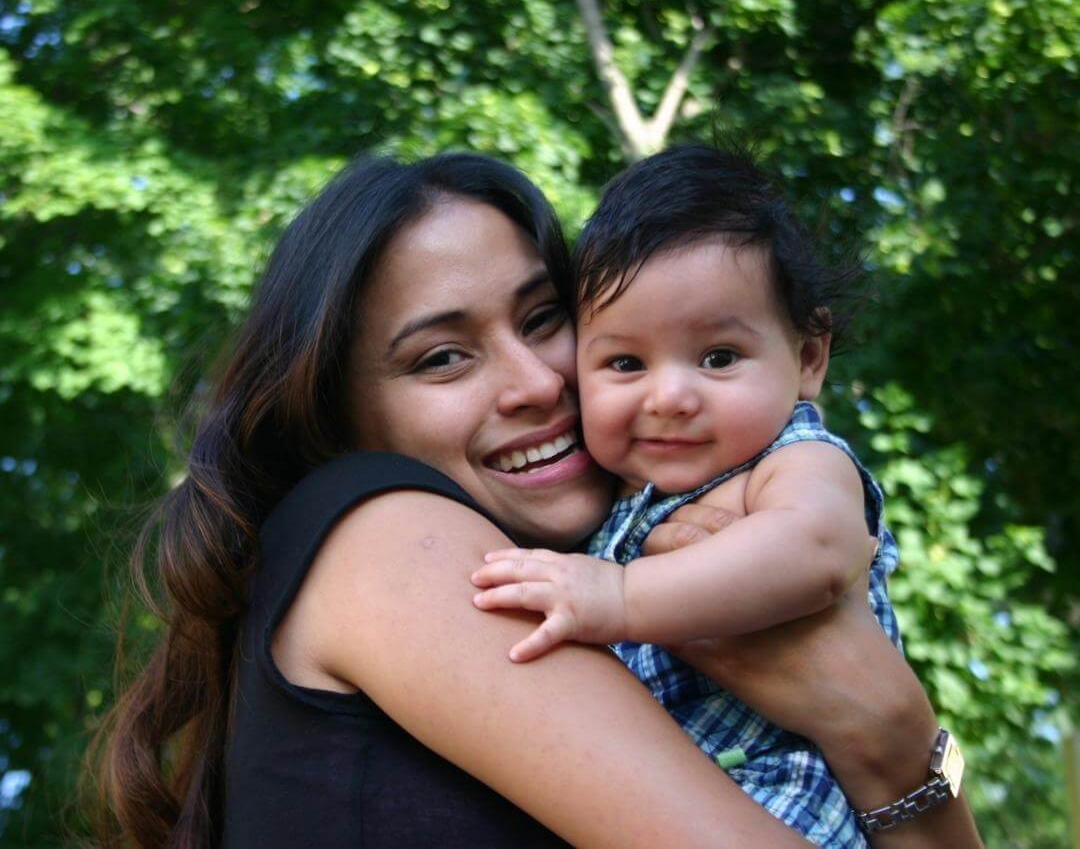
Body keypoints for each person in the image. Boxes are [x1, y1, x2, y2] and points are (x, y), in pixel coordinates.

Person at [91, 151, 980, 848]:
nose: (535, 382)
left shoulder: (699, 520)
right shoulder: (381, 528)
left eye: (544, 317)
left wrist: (895, 746)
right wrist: (890, 735)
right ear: (340, 420)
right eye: (442, 356)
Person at [471, 145, 975, 846]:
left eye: (718, 357)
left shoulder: (798, 458)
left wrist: (619, 596)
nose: (670, 396)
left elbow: (816, 548)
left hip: (788, 790)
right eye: (624, 362)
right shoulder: (608, 501)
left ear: (807, 356)